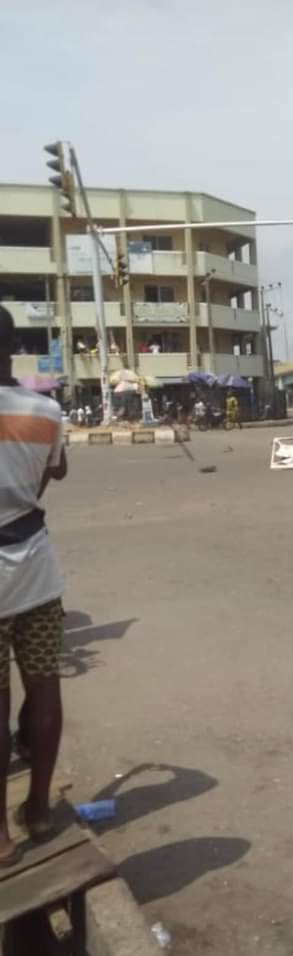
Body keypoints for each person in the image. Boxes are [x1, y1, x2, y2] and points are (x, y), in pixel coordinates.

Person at [0, 305, 67, 865]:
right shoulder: (46, 411)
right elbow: (51, 473)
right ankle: (39, 811)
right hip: (38, 573)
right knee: (44, 693)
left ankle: (0, 837)